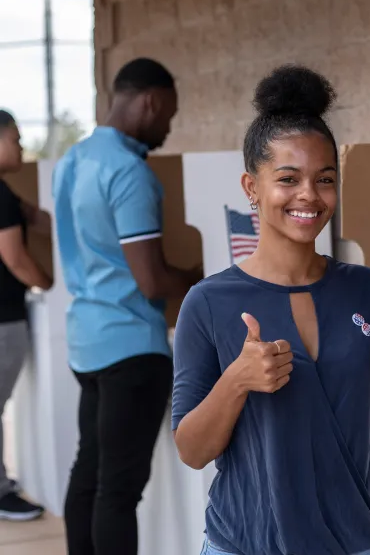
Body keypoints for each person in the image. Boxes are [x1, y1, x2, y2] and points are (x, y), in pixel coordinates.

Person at [172, 66, 370, 555]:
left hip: (358, 542)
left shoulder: (364, 288)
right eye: (288, 178)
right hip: (246, 544)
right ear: (252, 186)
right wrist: (237, 380)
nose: (309, 194)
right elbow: (192, 451)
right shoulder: (207, 302)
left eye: (324, 179)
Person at [52, 58, 202, 555]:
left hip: (87, 344)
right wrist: (198, 278)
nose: (168, 127)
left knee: (89, 476)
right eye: (169, 116)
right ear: (150, 101)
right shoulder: (130, 173)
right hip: (132, 350)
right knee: (117, 493)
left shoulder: (74, 160)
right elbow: (153, 279)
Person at [0, 110, 52, 521]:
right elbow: (14, 257)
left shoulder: (6, 195)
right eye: (15, 138)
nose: (20, 146)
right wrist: (49, 282)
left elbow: (37, 217)